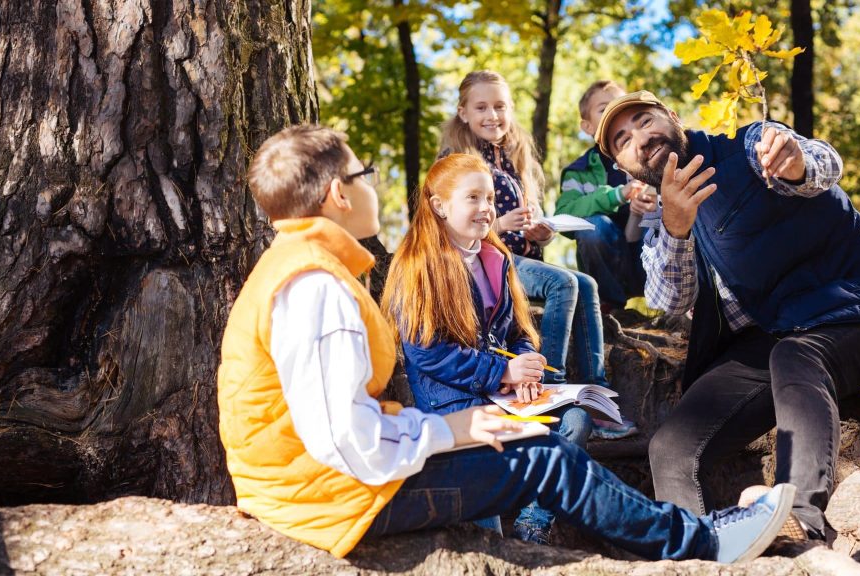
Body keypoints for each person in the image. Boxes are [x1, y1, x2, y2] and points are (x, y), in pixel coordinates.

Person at [216, 123, 797, 564]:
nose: (373, 183)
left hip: (322, 484)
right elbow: (346, 441)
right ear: (339, 195)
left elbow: (345, 427)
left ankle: (685, 533)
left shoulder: (303, 267)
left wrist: (507, 379)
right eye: (363, 173)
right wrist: (453, 429)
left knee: (548, 437)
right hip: (325, 498)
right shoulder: (316, 286)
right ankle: (702, 545)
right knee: (545, 460)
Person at [594, 91, 860, 543]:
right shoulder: (659, 220)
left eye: (645, 121)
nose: (641, 140)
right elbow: (669, 299)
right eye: (624, 141)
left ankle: (800, 513)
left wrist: (795, 160)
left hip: (850, 311)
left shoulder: (749, 146)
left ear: (673, 117)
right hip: (766, 341)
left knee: (795, 357)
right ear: (624, 167)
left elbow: (823, 164)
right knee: (670, 448)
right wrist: (677, 226)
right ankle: (701, 552)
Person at [382, 152, 596, 545]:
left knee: (577, 420)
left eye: (491, 200)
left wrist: (524, 364)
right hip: (454, 409)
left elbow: (517, 330)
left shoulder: (495, 257)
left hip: (504, 398)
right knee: (488, 534)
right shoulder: (418, 265)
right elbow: (426, 352)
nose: (486, 209)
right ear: (439, 206)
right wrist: (501, 372)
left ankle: (533, 523)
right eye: (473, 198)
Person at [439, 70, 636, 442]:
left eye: (500, 106)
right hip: (480, 260)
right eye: (481, 107)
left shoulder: (514, 159)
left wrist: (539, 231)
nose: (492, 115)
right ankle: (551, 387)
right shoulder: (457, 162)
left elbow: (527, 226)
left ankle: (597, 395)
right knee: (561, 282)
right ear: (463, 112)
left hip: (518, 258)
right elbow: (447, 227)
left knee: (586, 283)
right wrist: (498, 225)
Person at [556, 80, 657, 310]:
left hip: (648, 257)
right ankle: (606, 305)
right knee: (593, 226)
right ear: (588, 127)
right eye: (604, 109)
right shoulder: (579, 171)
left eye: (619, 106)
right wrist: (616, 196)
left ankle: (685, 304)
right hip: (608, 265)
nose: (613, 112)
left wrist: (653, 205)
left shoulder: (650, 155)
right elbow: (563, 213)